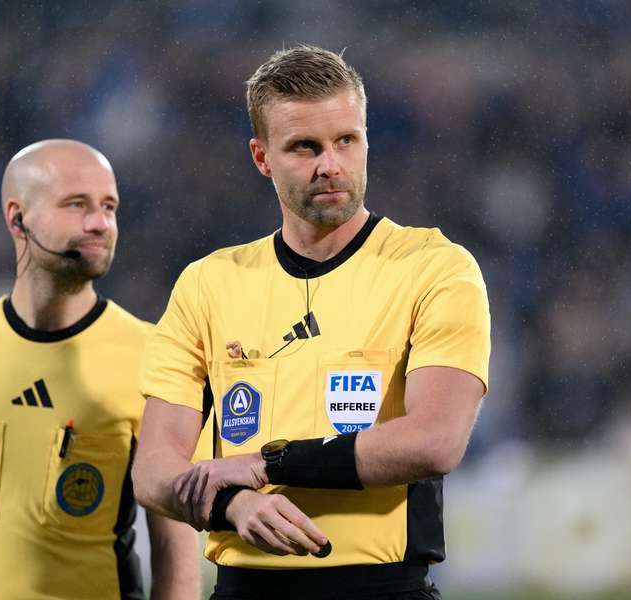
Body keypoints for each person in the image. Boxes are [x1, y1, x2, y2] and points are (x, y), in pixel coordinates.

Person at [133, 46, 491, 600]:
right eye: (305, 147)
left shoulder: (435, 269)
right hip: (243, 587)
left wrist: (265, 465)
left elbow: (435, 440)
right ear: (262, 157)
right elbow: (153, 469)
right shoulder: (209, 283)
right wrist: (232, 504)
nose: (331, 164)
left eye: (346, 140)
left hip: (382, 588)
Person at [0, 139, 201, 600]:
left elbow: (175, 546)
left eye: (109, 207)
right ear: (17, 217)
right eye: (76, 204)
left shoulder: (154, 355)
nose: (100, 223)